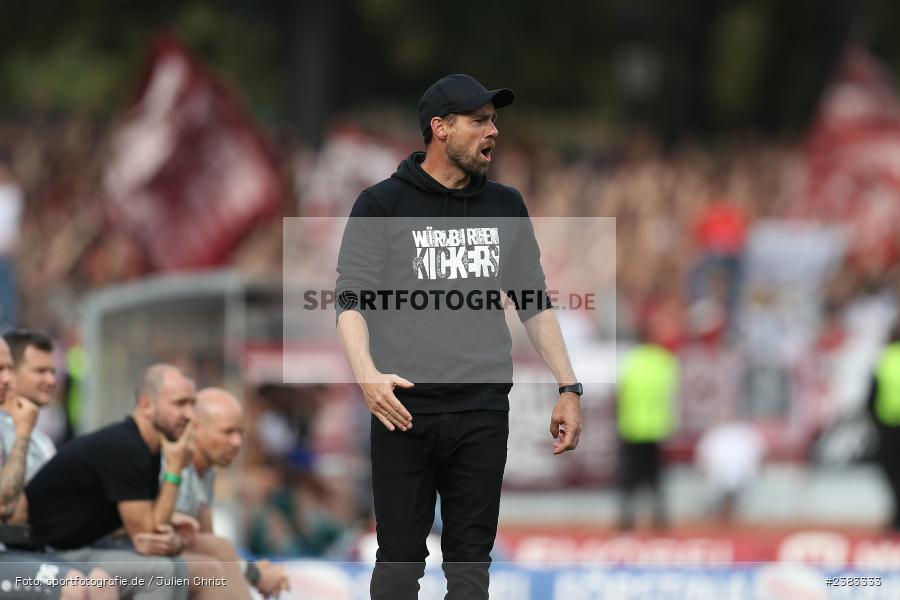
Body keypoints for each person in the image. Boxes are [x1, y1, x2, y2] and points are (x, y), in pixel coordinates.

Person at [335, 73, 582, 600]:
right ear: (440, 128)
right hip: (403, 407)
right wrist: (367, 377)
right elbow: (349, 299)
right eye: (480, 121)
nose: (493, 131)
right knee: (400, 567)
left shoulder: (506, 205)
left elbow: (533, 300)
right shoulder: (381, 205)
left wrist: (568, 386)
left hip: (482, 408)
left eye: (494, 120)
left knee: (471, 571)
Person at [23, 364, 228, 599]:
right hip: (50, 552)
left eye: (192, 404)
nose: (190, 415)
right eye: (180, 404)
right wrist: (175, 469)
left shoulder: (147, 446)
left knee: (207, 569)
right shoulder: (126, 446)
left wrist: (169, 528)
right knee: (163, 572)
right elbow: (147, 536)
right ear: (146, 404)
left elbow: (150, 528)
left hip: (85, 547)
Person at [0, 332, 116, 600]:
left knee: (101, 582)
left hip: (21, 550)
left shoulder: (40, 439)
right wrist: (23, 435)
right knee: (73, 584)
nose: (7, 379)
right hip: (25, 547)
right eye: (40, 371)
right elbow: (9, 508)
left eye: (8, 369)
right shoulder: (17, 432)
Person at [162, 387, 289, 599]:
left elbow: (205, 541)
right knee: (212, 569)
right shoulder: (175, 468)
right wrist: (252, 573)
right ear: (196, 429)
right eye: (227, 432)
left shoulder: (206, 472)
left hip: (182, 561)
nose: (237, 442)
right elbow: (170, 541)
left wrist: (247, 570)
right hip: (134, 562)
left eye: (241, 433)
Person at [616, 325, 679, 530]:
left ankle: (627, 518)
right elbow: (673, 393)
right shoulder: (664, 361)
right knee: (656, 477)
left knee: (629, 478)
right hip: (657, 427)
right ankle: (660, 518)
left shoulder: (629, 361)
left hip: (632, 426)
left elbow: (619, 391)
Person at [868, 321, 900, 530]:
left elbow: (871, 394)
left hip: (888, 425)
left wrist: (873, 419)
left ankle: (897, 512)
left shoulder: (884, 358)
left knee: (892, 471)